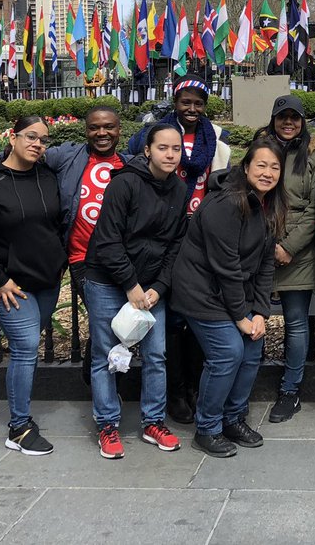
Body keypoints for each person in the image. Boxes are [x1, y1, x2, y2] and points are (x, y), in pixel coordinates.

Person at [0, 106, 131, 384]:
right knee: (106, 327)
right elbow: (20, 152)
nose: (102, 133)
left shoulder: (130, 163)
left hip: (120, 259)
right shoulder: (68, 156)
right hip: (83, 259)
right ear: (85, 131)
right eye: (94, 127)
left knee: (115, 326)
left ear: (120, 130)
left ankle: (98, 381)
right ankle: (101, 390)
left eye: (109, 127)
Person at [169, 137, 287, 458]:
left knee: (252, 347)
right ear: (246, 167)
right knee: (227, 352)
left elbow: (265, 264)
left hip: (233, 293)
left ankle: (232, 419)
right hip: (201, 292)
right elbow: (227, 267)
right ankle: (207, 427)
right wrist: (240, 318)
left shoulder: (269, 204)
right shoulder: (225, 204)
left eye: (274, 167)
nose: (267, 173)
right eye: (260, 165)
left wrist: (260, 312)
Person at [0, 116, 67, 457]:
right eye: (31, 137)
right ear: (13, 137)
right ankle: (19, 427)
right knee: (25, 345)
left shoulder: (48, 177)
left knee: (27, 346)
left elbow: (56, 224)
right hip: (9, 284)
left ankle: (21, 415)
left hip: (47, 281)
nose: (38, 144)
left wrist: (60, 263)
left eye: (44, 140)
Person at [129, 75, 231, 424]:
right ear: (175, 103)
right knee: (171, 317)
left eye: (198, 103)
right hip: (165, 231)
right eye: (186, 102)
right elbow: (129, 159)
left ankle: (194, 385)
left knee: (199, 313)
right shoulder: (156, 133)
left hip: (201, 234)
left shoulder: (215, 137)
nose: (192, 108)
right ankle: (176, 390)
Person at [84, 123, 189, 459]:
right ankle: (107, 424)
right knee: (105, 355)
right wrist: (130, 284)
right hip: (107, 280)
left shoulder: (179, 189)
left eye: (176, 148)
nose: (170, 154)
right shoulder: (125, 183)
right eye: (163, 148)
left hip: (150, 286)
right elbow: (107, 240)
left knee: (156, 355)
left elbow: (176, 245)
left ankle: (153, 421)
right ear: (147, 150)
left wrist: (159, 287)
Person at [259, 95, 315, 424]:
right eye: (282, 117)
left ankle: (290, 390)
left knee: (296, 323)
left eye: (294, 117)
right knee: (251, 318)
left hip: (298, 252)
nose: (288, 123)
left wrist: (288, 246)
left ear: (303, 121)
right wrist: (266, 243)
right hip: (260, 246)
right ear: (273, 119)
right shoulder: (262, 149)